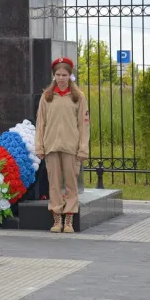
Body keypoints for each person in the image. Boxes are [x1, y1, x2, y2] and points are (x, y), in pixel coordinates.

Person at [35, 57, 89, 233]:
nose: (61, 78)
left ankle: (69, 220)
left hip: (71, 148)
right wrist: (39, 146)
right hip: (51, 146)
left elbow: (84, 125)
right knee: (54, 183)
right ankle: (57, 218)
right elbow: (40, 123)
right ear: (54, 76)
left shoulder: (78, 97)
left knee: (71, 183)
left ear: (70, 75)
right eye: (58, 74)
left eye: (64, 75)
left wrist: (83, 148)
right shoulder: (47, 97)